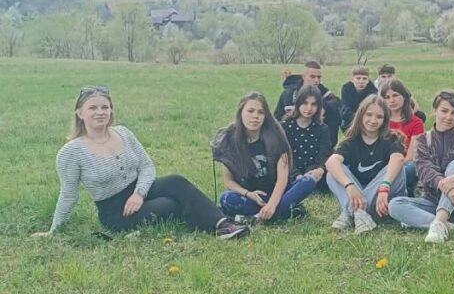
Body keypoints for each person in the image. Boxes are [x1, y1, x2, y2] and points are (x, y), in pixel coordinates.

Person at [33, 86, 249, 239]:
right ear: (80, 113)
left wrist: (139, 194)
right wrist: (53, 231)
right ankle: (214, 222)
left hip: (140, 190)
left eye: (105, 107)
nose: (100, 112)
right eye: (93, 108)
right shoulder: (71, 152)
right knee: (170, 205)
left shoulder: (123, 133)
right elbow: (68, 195)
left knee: (176, 182)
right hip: (116, 211)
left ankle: (223, 224)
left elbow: (146, 167)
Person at [388, 90, 454, 243]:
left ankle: (438, 223)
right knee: (395, 205)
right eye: (444, 111)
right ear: (434, 111)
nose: (448, 117)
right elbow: (424, 170)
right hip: (433, 200)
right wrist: (446, 186)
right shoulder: (423, 140)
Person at [213, 92, 316, 221]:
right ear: (241, 112)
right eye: (250, 111)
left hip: (278, 193)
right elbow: (228, 181)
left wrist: (272, 205)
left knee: (308, 181)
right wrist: (248, 194)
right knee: (226, 198)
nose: (255, 116)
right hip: (252, 197)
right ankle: (282, 212)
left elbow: (282, 178)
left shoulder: (275, 134)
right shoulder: (230, 140)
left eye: (260, 112)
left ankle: (258, 216)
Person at [325, 95, 407, 234]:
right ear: (361, 115)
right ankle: (359, 214)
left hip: (382, 196)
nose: (373, 120)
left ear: (385, 120)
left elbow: (398, 158)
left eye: (379, 117)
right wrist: (349, 186)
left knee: (397, 168)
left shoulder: (390, 138)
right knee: (333, 172)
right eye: (369, 114)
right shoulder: (351, 141)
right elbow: (331, 161)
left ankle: (350, 212)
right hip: (357, 191)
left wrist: (384, 187)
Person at [274, 61, 343, 148]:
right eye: (312, 76)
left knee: (334, 112)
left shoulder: (321, 89)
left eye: (319, 77)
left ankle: (329, 147)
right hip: (292, 136)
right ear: (303, 76)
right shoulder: (290, 93)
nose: (316, 80)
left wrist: (323, 106)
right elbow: (281, 117)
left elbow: (337, 102)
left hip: (315, 133)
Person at [281, 85, 332, 191]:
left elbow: (324, 154)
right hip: (289, 171)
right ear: (298, 103)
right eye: (305, 103)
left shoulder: (322, 129)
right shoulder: (285, 126)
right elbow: (283, 154)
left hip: (314, 172)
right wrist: (296, 175)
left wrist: (319, 169)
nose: (309, 108)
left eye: (313, 104)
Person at [380, 79, 425, 196]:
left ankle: (403, 194)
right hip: (382, 163)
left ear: (404, 97)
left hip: (405, 164)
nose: (391, 100)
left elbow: (411, 155)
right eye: (387, 97)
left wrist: (395, 167)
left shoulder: (416, 123)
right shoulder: (381, 120)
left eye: (395, 95)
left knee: (408, 169)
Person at [339, 66, 378, 132]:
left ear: (368, 80)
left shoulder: (373, 91)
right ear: (352, 79)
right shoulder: (346, 88)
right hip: (351, 118)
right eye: (358, 78)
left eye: (364, 79)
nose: (361, 81)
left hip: (368, 120)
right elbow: (345, 108)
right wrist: (355, 118)